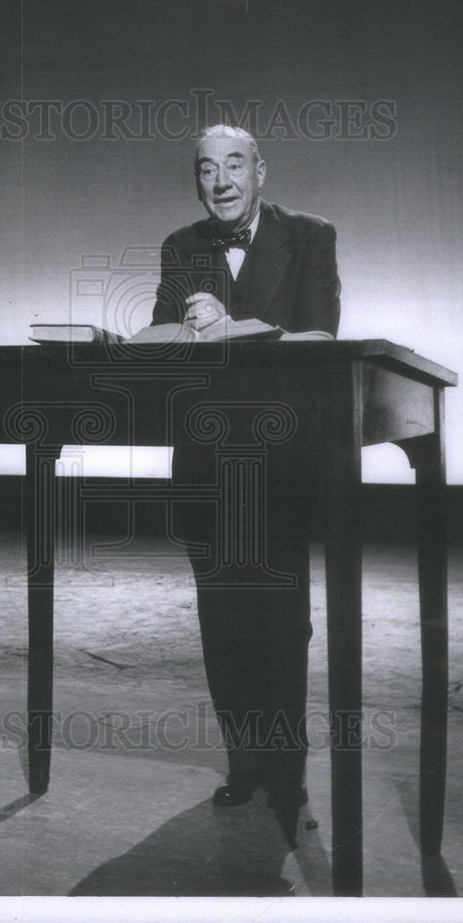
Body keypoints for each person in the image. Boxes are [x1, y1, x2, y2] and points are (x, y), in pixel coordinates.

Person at [150, 124, 341, 847]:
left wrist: (235, 327)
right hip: (204, 461)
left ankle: (287, 771)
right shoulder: (181, 246)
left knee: (281, 619)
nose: (222, 181)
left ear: (261, 170)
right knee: (222, 618)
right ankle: (244, 760)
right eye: (207, 169)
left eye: (235, 165)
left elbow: (321, 337)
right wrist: (184, 329)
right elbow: (162, 339)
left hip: (279, 460)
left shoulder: (311, 236)